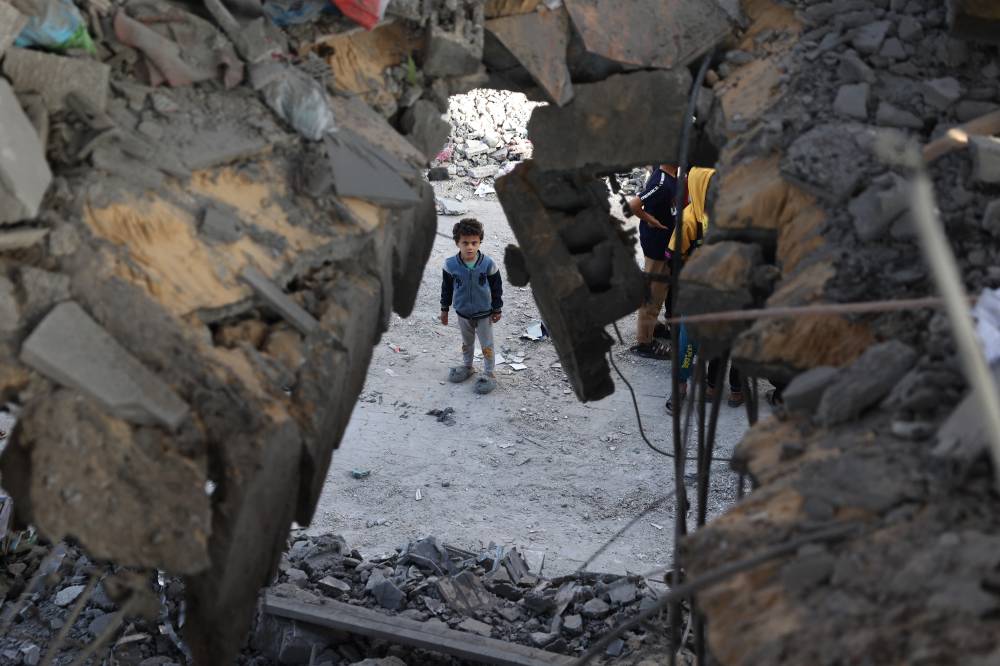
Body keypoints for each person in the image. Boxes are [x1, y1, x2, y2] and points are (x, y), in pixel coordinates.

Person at [663, 166, 744, 411]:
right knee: (688, 343)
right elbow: (672, 257)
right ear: (699, 188)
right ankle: (680, 388)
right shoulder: (689, 220)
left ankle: (715, 386)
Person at [440, 218, 503, 395]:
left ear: (479, 242)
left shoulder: (488, 264)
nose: (469, 247)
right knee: (467, 343)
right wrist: (444, 310)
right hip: (463, 314)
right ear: (457, 243)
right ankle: (468, 367)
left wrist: (497, 308)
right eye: (465, 243)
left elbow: (497, 288)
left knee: (486, 344)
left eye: (474, 243)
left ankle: (490, 374)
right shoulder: (450, 265)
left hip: (484, 314)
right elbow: (446, 289)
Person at [628, 164, 678, 360]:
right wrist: (651, 220)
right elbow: (633, 205)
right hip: (657, 247)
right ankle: (644, 343)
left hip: (663, 245)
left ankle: (652, 328)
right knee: (653, 295)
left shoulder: (670, 176)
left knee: (660, 290)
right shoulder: (662, 182)